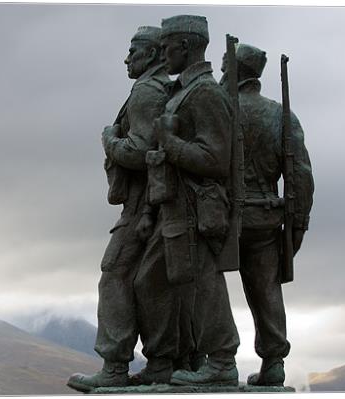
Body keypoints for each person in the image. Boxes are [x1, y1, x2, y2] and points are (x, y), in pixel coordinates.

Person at [134, 14, 240, 386]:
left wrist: (170, 142)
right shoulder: (183, 91)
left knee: (203, 281)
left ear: (186, 46)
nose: (163, 54)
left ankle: (223, 360)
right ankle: (162, 361)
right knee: (150, 280)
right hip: (172, 205)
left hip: (196, 206)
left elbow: (215, 159)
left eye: (167, 47)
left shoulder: (206, 93)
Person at [66, 26, 170, 392]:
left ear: (154, 54)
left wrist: (110, 140)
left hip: (144, 203)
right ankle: (162, 362)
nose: (127, 58)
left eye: (134, 51)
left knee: (115, 273)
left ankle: (114, 366)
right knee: (152, 282)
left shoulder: (145, 91)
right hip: (157, 202)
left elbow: (141, 152)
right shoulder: (162, 89)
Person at [219, 43, 314, 386]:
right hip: (267, 217)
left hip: (223, 217)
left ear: (235, 70)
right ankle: (274, 361)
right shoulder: (281, 115)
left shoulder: (221, 109)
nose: (221, 70)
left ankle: (214, 358)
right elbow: (300, 174)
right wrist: (299, 222)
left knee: (207, 285)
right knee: (266, 289)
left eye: (225, 66)